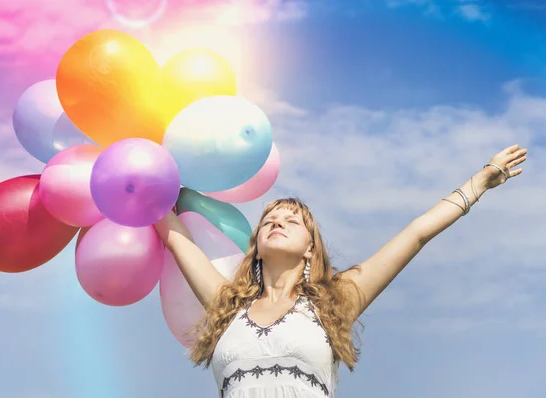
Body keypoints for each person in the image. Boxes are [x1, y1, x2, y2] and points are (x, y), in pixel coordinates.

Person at [154, 144, 528, 398]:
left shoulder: (336, 301)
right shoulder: (227, 306)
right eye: (269, 218)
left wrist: (479, 182)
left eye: (292, 220)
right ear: (255, 245)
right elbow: (173, 235)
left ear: (310, 248)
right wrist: (142, 170)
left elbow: (415, 235)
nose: (277, 222)